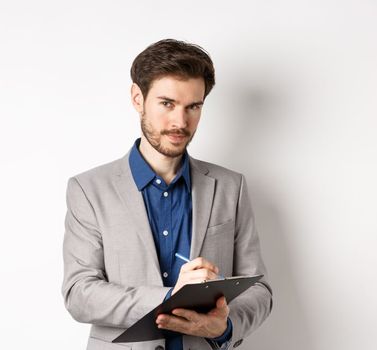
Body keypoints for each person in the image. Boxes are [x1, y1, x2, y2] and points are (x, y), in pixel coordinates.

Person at [61, 39, 273, 350]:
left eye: (194, 106)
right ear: (138, 98)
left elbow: (260, 290)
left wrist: (223, 327)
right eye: (167, 103)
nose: (180, 122)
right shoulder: (89, 189)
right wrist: (167, 297)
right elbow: (79, 294)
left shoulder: (231, 187)